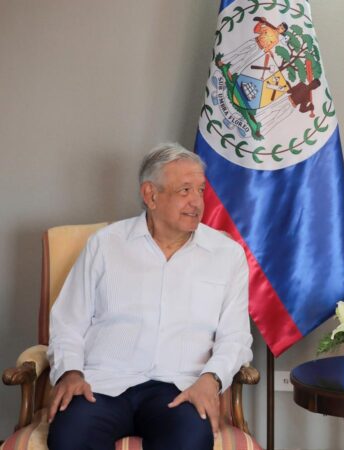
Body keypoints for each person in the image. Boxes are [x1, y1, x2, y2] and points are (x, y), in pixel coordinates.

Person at [47, 143, 252, 450]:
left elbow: (235, 337)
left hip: (180, 389)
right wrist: (71, 373)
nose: (197, 202)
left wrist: (211, 380)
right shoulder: (105, 245)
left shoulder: (227, 254)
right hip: (102, 385)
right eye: (185, 190)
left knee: (189, 441)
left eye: (200, 190)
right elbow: (68, 321)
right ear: (151, 195)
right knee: (68, 438)